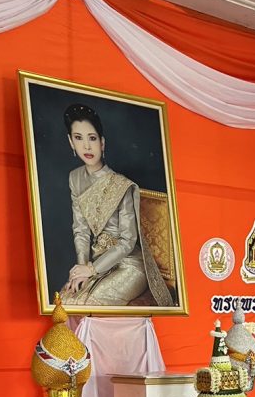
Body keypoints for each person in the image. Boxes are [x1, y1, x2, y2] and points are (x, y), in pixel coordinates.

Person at [59, 103, 173, 307]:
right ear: (70, 142)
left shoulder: (122, 185)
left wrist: (91, 270)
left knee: (90, 302)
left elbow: (128, 242)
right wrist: (81, 268)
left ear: (102, 143)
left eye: (92, 138)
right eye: (78, 138)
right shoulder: (75, 178)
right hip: (97, 263)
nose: (86, 146)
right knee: (66, 299)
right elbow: (81, 229)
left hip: (129, 264)